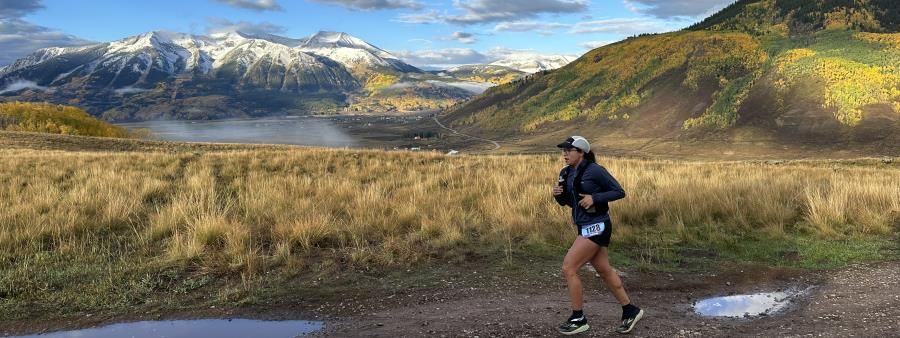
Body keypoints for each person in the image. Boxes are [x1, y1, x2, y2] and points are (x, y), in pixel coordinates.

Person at [551, 136, 643, 335]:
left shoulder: (595, 171)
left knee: (569, 267)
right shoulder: (565, 173)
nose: (565, 154)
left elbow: (619, 191)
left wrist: (595, 197)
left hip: (598, 225)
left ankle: (578, 317)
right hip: (584, 225)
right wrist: (559, 195)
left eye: (569, 150)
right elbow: (571, 202)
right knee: (604, 270)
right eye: (563, 150)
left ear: (581, 152)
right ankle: (630, 310)